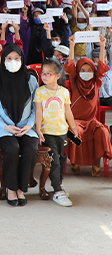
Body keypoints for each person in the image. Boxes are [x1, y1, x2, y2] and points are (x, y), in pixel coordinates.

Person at [0, 43, 39, 206]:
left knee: (30, 148)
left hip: (26, 126)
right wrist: (5, 126)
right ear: (3, 59)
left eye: (16, 58)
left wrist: (29, 125)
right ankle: (10, 188)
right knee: (12, 147)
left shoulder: (31, 80)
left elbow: (37, 106)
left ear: (22, 60)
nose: (13, 61)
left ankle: (21, 188)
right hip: (2, 127)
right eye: (9, 58)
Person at [65, 34, 112, 176]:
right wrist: (72, 45)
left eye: (89, 70)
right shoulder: (74, 81)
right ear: (78, 72)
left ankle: (96, 163)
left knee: (102, 132)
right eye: (83, 70)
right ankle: (75, 161)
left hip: (91, 121)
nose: (86, 73)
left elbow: (102, 68)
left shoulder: (96, 83)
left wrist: (103, 46)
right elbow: (70, 65)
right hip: (74, 122)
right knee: (74, 133)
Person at [35, 57, 77, 207]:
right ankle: (57, 190)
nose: (44, 76)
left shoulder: (64, 92)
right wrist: (38, 129)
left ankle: (58, 184)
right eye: (43, 73)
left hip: (62, 132)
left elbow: (68, 112)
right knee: (55, 161)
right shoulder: (40, 92)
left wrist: (73, 128)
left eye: (48, 74)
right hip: (48, 132)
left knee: (62, 157)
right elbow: (39, 112)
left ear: (58, 76)